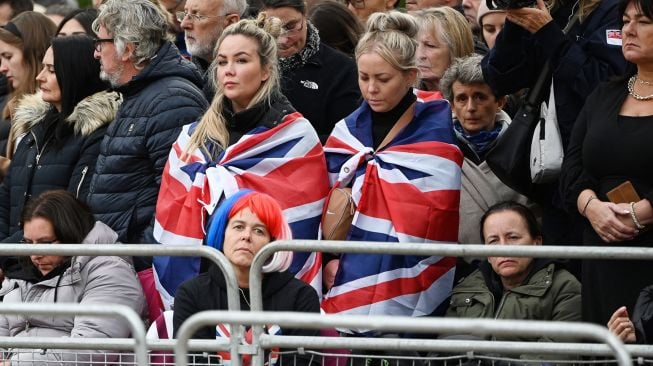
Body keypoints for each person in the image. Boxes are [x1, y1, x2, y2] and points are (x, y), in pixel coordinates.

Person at [153, 14, 329, 308]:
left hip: (269, 292)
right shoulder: (192, 138)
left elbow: (301, 221)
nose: (228, 71)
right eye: (222, 62)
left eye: (241, 61)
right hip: (206, 287)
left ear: (265, 71)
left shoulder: (296, 138)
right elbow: (169, 211)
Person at [322, 11, 462, 326]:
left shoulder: (439, 125)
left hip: (409, 274)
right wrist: (328, 258)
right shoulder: (345, 133)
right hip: (348, 272)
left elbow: (438, 213)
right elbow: (325, 201)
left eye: (383, 79)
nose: (371, 89)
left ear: (411, 75)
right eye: (363, 77)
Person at [88, 0, 208, 256]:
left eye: (100, 43)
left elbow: (180, 196)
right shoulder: (140, 94)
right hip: (121, 260)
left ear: (128, 49)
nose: (96, 53)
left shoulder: (173, 100)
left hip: (143, 266)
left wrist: (140, 255)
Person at [560, 0, 653, 326]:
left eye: (642, 21)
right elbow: (571, 170)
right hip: (602, 251)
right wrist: (591, 207)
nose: (628, 29)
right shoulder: (603, 94)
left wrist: (646, 211)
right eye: (625, 20)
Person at [173, 190, 320, 365]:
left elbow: (302, 361)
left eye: (259, 231)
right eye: (238, 227)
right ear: (223, 233)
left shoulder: (301, 297)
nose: (246, 236)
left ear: (273, 243)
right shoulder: (191, 293)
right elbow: (191, 361)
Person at [0, 190, 146, 365]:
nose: (34, 255)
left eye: (45, 243)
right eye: (28, 243)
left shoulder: (109, 270)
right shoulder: (22, 271)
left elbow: (91, 350)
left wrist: (14, 364)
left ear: (70, 234)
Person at [0, 34, 118, 247]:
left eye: (52, 70)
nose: (40, 77)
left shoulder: (95, 136)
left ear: (75, 74)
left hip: (54, 267)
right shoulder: (33, 130)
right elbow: (5, 200)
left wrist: (9, 253)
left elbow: (70, 210)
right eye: (43, 67)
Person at [446, 201, 581, 359]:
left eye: (513, 237)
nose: (504, 248)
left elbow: (557, 357)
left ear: (536, 243)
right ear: (487, 254)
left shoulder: (564, 286)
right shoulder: (467, 286)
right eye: (494, 241)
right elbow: (441, 350)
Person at [440, 55, 533, 245]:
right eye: (461, 99)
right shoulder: (439, 150)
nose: (471, 107)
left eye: (480, 97)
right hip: (458, 262)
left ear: (500, 102)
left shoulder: (524, 144)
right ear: (451, 105)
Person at [262, 0, 360, 143]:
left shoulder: (342, 70)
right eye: (273, 28)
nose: (283, 39)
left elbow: (344, 138)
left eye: (291, 26)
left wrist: (281, 144)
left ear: (305, 15)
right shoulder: (250, 63)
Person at [0, 12, 55, 168]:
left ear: (33, 54)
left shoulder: (52, 109)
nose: (2, 68)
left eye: (8, 56)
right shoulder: (12, 102)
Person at [179, 0, 247, 99]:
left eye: (198, 16)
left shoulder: (253, 82)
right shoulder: (185, 72)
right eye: (185, 13)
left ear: (230, 22)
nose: (184, 24)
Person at [414, 7, 474, 93]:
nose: (419, 55)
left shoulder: (473, 101)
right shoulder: (400, 99)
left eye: (430, 46)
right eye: (415, 45)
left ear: (456, 49)